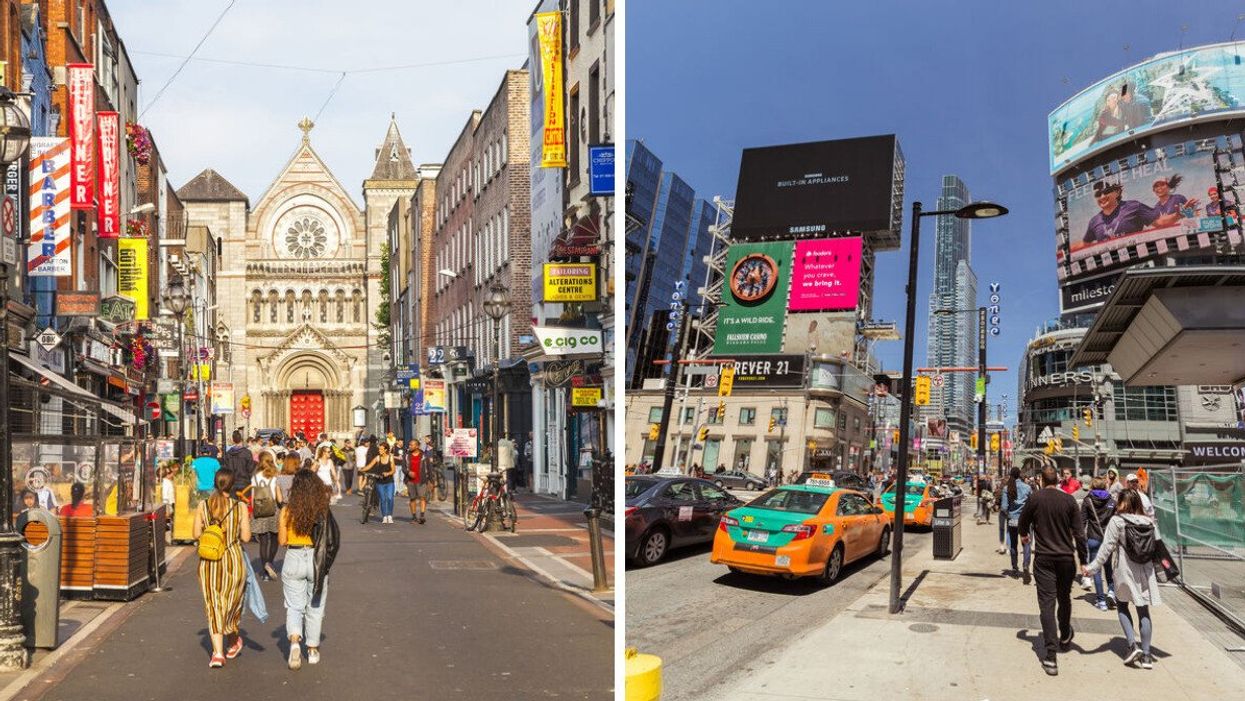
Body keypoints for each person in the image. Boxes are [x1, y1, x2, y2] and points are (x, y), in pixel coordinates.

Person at [1018, 466, 1088, 677]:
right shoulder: (1068, 501)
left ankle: (1050, 656)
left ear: (1040, 479)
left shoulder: (1036, 498)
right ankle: (1065, 635)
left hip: (1044, 559)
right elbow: (1079, 534)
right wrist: (1084, 561)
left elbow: (1023, 522)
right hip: (1066, 558)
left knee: (1047, 605)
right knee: (1064, 598)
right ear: (1058, 479)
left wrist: (1024, 535)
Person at [1083, 489, 1162, 669]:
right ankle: (1148, 655)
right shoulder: (1150, 522)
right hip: (1146, 572)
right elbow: (1159, 549)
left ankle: (1132, 645)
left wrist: (1091, 568)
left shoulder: (1117, 521)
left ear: (1121, 503)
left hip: (1125, 570)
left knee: (1122, 606)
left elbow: (1106, 550)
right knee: (1143, 611)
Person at [279, 469, 339, 670]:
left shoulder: (287, 510)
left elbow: (282, 541)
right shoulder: (321, 510)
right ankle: (312, 649)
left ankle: (295, 642)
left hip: (293, 557)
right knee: (315, 606)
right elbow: (333, 538)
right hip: (316, 559)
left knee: (294, 606)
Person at [193, 467, 251, 668]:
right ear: (232, 484)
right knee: (232, 603)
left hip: (209, 561)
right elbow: (245, 537)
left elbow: (195, 534)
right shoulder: (239, 507)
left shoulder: (203, 506)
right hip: (233, 560)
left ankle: (218, 653)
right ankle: (232, 639)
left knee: (214, 604)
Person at [1082, 182, 1160, 245]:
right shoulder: (1094, 221)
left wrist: (1172, 215)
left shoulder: (1134, 206)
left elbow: (1161, 223)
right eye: (1098, 194)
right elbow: (1084, 244)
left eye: (1106, 191)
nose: (1102, 197)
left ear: (1117, 193)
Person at [1081, 476, 1117, 611]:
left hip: (1093, 538)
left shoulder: (1088, 500)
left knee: (1096, 569)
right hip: (1108, 539)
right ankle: (1111, 592)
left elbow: (1082, 521)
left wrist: (1080, 539)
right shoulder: (1112, 501)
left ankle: (1101, 601)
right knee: (1108, 567)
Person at [250, 453, 282, 581]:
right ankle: (270, 562)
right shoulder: (275, 476)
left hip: (260, 508)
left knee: (263, 541)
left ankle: (264, 572)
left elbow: (252, 496)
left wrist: (254, 511)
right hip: (273, 509)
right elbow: (278, 496)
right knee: (274, 538)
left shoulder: (256, 476)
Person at [1001, 468, 1033, 583]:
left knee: (1013, 544)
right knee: (1026, 544)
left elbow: (1004, 508)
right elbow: (1032, 504)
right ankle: (1025, 565)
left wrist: (1010, 514)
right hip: (1025, 520)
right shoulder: (1027, 487)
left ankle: (1014, 568)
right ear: (1019, 475)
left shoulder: (1006, 488)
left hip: (1012, 520)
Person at [362, 442, 397, 523]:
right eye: (379, 449)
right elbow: (369, 466)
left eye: (381, 449)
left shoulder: (390, 457)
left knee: (390, 498)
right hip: (379, 482)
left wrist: (388, 473)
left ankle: (389, 515)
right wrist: (362, 470)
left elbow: (393, 470)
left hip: (389, 482)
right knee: (383, 499)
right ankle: (384, 516)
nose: (379, 450)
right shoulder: (377, 458)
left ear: (386, 450)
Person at [221, 430, 256, 499]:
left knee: (233, 506)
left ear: (233, 440)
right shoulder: (247, 453)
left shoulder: (228, 454)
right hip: (245, 483)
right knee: (244, 506)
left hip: (232, 483)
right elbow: (251, 470)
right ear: (242, 440)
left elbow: (225, 470)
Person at [407, 439, 429, 524]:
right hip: (410, 481)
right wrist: (408, 472)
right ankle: (414, 517)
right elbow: (404, 467)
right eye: (409, 445)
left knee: (422, 497)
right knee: (412, 499)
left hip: (421, 480)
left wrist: (430, 480)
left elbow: (429, 468)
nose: (410, 446)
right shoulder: (407, 455)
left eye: (411, 445)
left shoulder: (424, 455)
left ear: (417, 446)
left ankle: (422, 515)